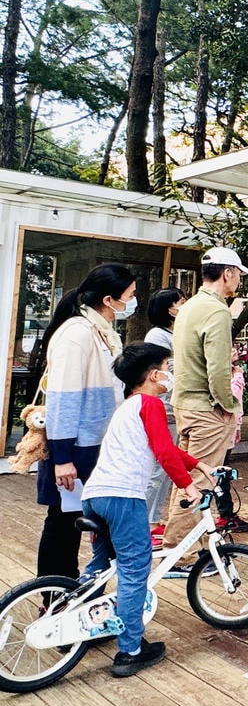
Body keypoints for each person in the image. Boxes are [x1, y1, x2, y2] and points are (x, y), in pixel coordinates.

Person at [79, 343, 216, 677]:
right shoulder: (151, 404)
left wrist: (197, 464)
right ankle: (130, 650)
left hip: (95, 495)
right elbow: (162, 450)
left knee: (101, 564)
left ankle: (78, 619)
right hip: (124, 499)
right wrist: (187, 484)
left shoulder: (128, 407)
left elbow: (165, 449)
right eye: (168, 367)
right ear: (155, 375)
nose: (170, 374)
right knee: (134, 569)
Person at [37, 263, 137, 580]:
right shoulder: (77, 334)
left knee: (85, 520)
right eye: (130, 295)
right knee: (64, 522)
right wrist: (62, 458)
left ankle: (77, 592)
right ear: (109, 299)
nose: (133, 302)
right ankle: (53, 594)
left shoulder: (101, 332)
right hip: (75, 448)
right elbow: (63, 399)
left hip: (96, 444)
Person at [161, 246, 248, 565]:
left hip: (186, 405)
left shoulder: (189, 307)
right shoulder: (216, 311)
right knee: (202, 481)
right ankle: (182, 554)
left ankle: (183, 545)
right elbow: (218, 370)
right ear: (227, 273)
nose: (239, 280)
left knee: (187, 479)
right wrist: (229, 403)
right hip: (208, 410)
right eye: (238, 273)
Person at [142, 287, 186, 546]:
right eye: (180, 302)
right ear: (168, 308)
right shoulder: (158, 336)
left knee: (165, 470)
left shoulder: (172, 333)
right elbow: (163, 373)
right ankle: (144, 522)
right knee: (157, 470)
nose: (184, 305)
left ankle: (154, 520)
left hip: (173, 407)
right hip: (164, 407)